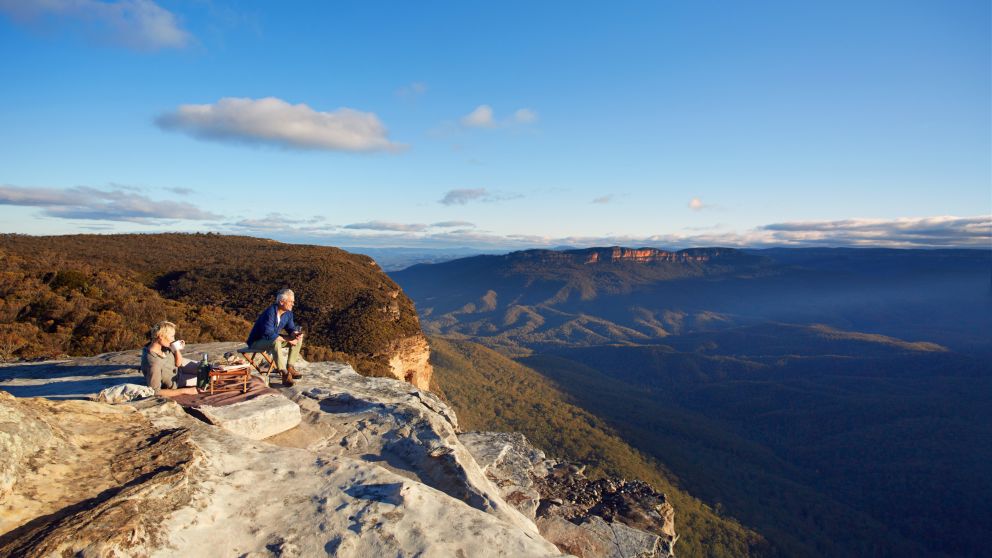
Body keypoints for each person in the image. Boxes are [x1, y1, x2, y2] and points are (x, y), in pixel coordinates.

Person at [246, 288, 304, 386]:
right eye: (290, 302)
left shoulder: (288, 313)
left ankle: (290, 367)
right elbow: (269, 334)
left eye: (293, 302)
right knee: (275, 341)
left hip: (271, 340)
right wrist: (288, 339)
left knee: (298, 339)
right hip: (257, 341)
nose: (293, 304)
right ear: (281, 302)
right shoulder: (270, 313)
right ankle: (284, 373)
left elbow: (290, 328)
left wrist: (295, 334)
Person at [141, 321, 198, 397]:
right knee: (206, 379)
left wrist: (176, 348)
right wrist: (186, 391)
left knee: (208, 368)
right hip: (176, 380)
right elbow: (154, 391)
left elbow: (178, 363)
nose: (173, 339)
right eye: (171, 336)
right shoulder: (153, 363)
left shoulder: (164, 346)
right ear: (161, 336)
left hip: (179, 368)